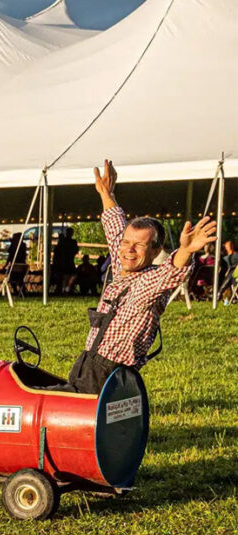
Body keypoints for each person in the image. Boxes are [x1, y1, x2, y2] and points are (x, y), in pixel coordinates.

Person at [48, 160, 215, 395]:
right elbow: (115, 227)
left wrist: (186, 250)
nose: (129, 249)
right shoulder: (122, 265)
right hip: (88, 364)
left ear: (155, 251)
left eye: (140, 245)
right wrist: (107, 194)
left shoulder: (148, 283)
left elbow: (171, 272)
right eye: (127, 242)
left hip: (108, 374)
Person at [51, 227, 80, 294]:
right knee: (64, 276)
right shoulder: (63, 242)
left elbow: (75, 251)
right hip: (63, 262)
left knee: (72, 275)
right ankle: (64, 289)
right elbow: (57, 251)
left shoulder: (72, 242)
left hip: (68, 261)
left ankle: (67, 288)